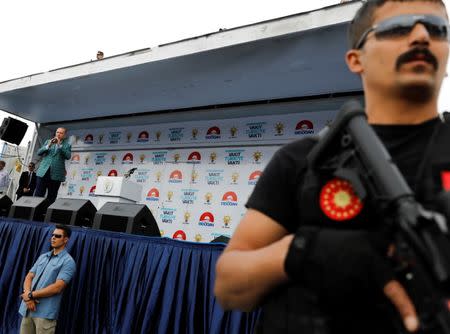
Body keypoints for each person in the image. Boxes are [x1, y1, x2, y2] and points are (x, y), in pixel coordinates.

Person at [214, 1, 449, 333]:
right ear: (356, 59)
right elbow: (229, 287)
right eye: (399, 27)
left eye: (437, 28)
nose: (422, 36)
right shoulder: (302, 160)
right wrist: (308, 252)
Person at [19, 224, 76, 334]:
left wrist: (30, 295)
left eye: (58, 236)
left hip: (45, 314)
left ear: (66, 240)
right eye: (53, 235)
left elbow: (57, 287)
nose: (53, 237)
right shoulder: (43, 257)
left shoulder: (68, 262)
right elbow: (29, 276)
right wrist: (27, 296)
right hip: (27, 309)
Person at [34, 128, 71, 204]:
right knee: (38, 194)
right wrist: (48, 145)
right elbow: (39, 152)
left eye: (61, 133)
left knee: (52, 196)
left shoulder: (67, 145)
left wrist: (60, 146)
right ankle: (35, 213)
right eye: (57, 132)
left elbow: (68, 156)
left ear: (64, 135)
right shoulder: (48, 141)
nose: (58, 134)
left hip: (56, 174)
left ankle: (46, 213)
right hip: (43, 172)